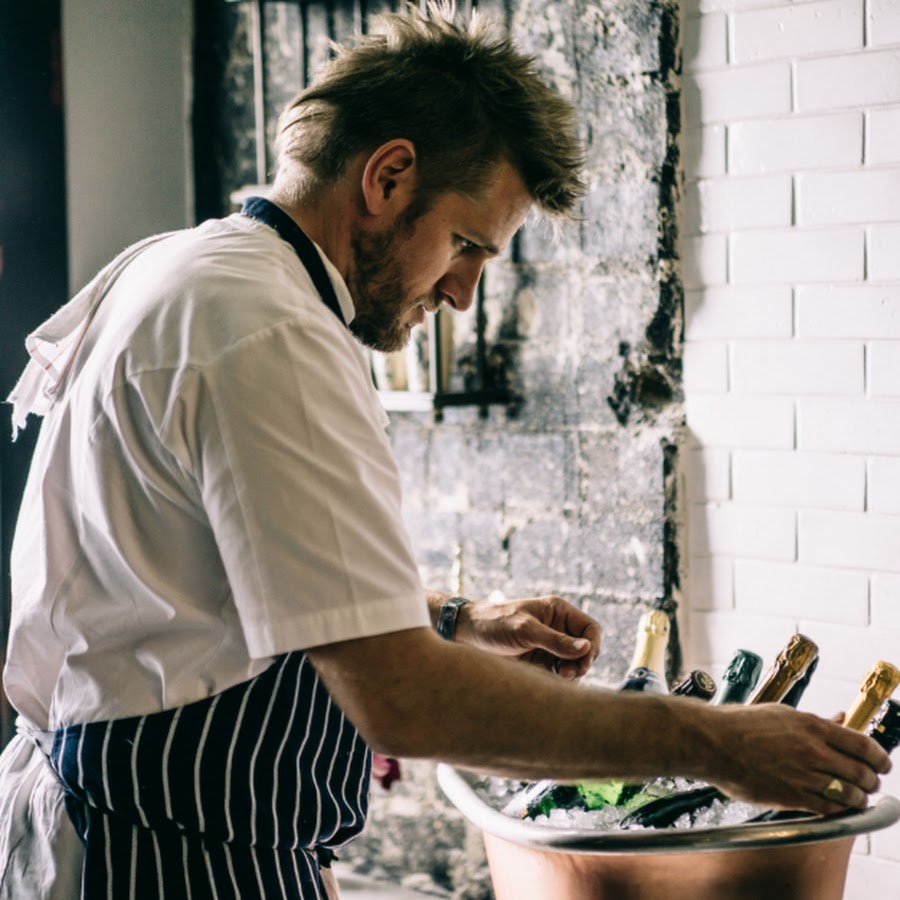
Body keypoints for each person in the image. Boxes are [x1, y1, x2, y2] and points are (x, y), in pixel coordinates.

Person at [0, 6, 889, 899]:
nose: (464, 292)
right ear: (388, 176)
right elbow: (402, 699)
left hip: (148, 826)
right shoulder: (269, 331)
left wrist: (459, 618)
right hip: (163, 856)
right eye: (466, 244)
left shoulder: (197, 270)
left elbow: (213, 587)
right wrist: (716, 743)